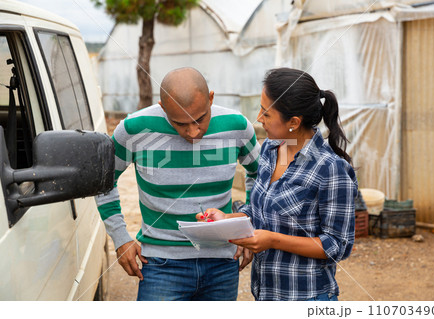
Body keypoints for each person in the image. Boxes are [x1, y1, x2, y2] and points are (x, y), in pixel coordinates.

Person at [96, 67, 259, 301]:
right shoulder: (134, 129)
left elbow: (261, 176)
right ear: (163, 108)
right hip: (160, 266)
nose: (193, 132)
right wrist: (121, 238)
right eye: (180, 124)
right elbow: (103, 182)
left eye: (200, 119)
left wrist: (245, 226)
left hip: (222, 264)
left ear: (211, 98)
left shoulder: (237, 126)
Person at [197, 68, 357, 301]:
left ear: (293, 122)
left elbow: (337, 246)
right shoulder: (270, 150)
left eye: (266, 113)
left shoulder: (330, 169)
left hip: (307, 297)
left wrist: (272, 240)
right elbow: (257, 211)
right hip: (267, 295)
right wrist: (227, 219)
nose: (259, 119)